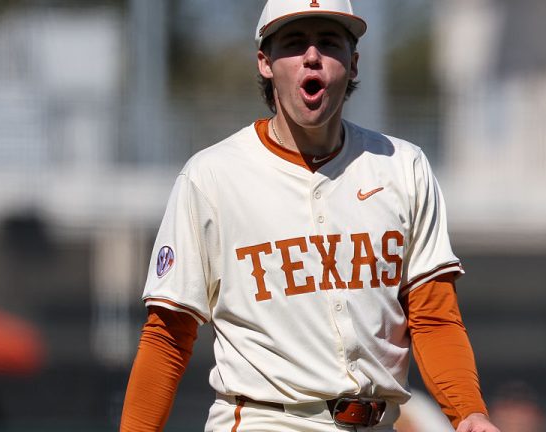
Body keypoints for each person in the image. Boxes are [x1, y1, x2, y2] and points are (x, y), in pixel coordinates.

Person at [119, 1, 500, 431]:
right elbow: (168, 335)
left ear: (353, 64)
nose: (313, 55)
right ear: (265, 63)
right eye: (295, 43)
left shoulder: (401, 166)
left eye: (330, 42)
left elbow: (432, 316)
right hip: (266, 419)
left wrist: (468, 410)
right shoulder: (211, 177)